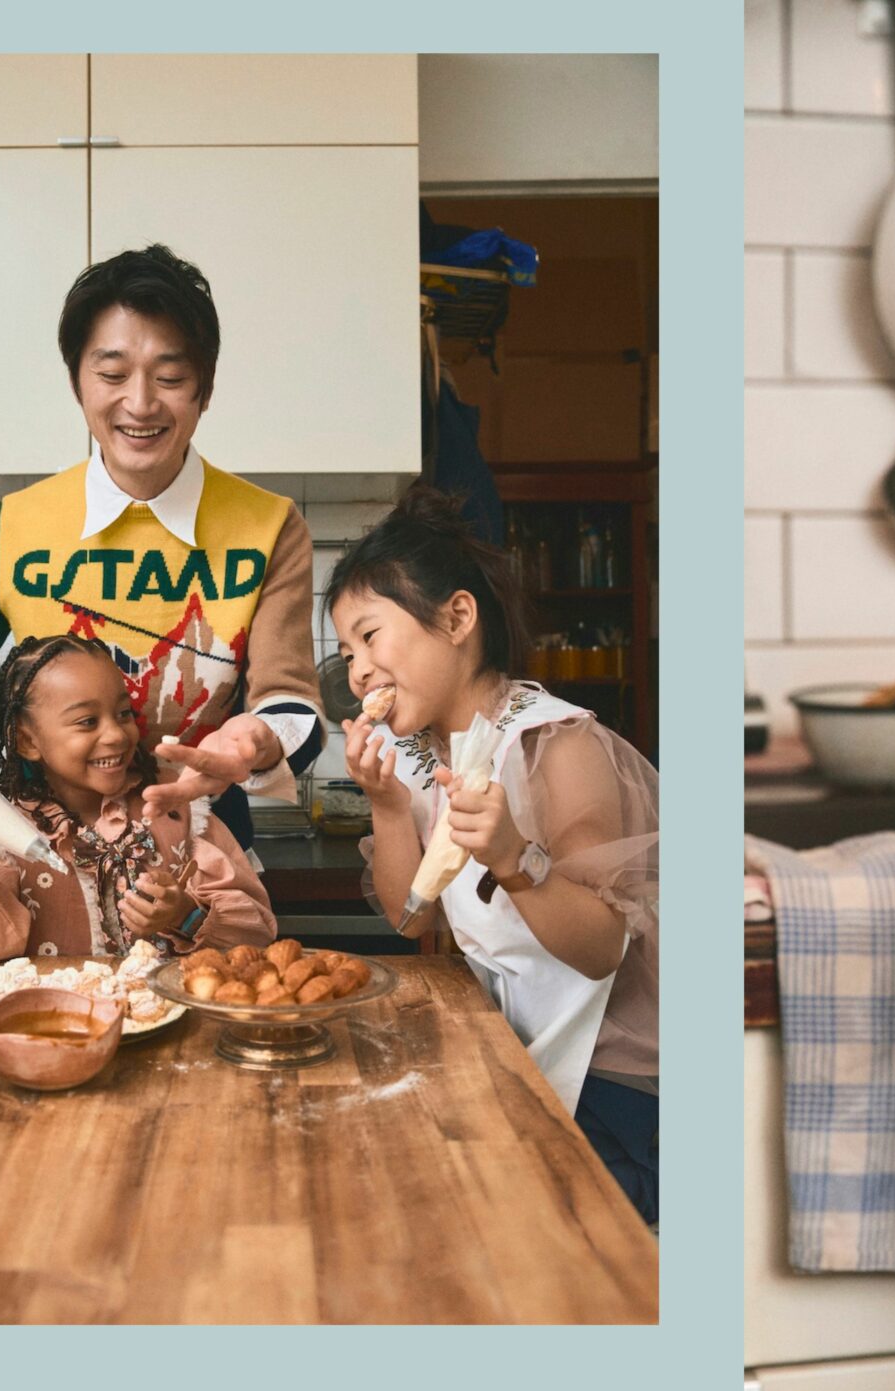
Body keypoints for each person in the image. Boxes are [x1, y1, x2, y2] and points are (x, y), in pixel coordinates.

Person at [0, 244, 323, 847]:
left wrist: (250, 742)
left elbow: (293, 707)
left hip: (204, 873)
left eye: (171, 378)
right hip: (41, 872)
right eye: (111, 375)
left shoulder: (268, 526)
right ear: (78, 382)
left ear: (205, 390)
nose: (139, 403)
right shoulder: (12, 530)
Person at [331, 487, 658, 1223]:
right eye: (346, 650)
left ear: (457, 618)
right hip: (515, 1051)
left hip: (606, 1079)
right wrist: (386, 806)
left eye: (370, 636)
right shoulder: (419, 759)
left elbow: (604, 945)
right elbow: (408, 918)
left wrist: (515, 856)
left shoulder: (557, 744)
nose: (356, 669)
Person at [0, 634, 276, 964]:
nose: (116, 735)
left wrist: (185, 915)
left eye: (123, 713)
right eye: (87, 721)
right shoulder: (5, 831)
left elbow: (256, 934)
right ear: (28, 741)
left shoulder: (174, 806)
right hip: (54, 1033)